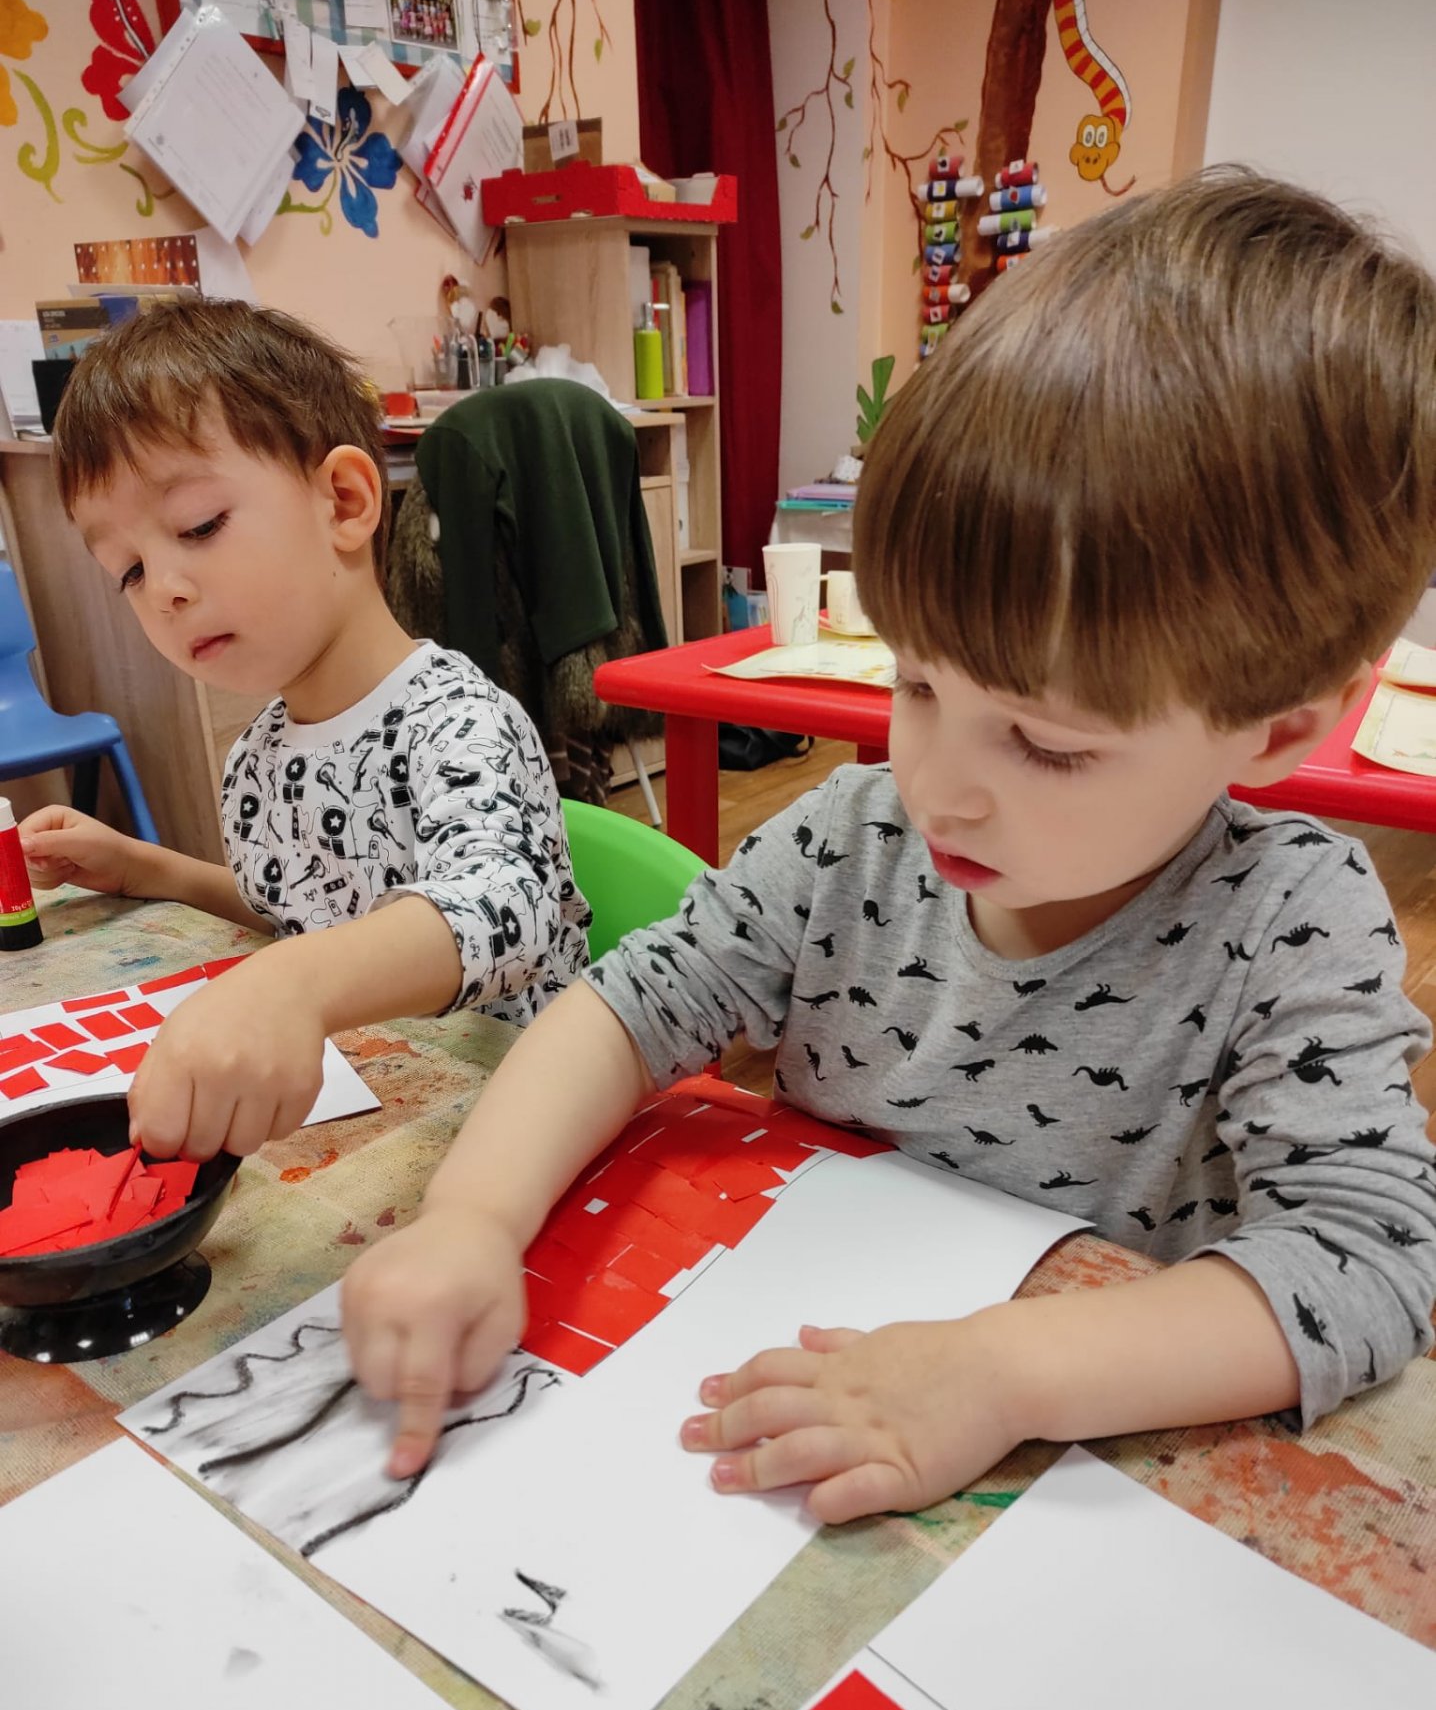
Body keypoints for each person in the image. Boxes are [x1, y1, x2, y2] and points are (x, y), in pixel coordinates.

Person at [343, 169, 1436, 1507]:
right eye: (915, 682)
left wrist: (1006, 1373)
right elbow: (625, 1008)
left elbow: (1367, 1260)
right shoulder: (851, 840)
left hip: (1076, 1485)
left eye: (1045, 743)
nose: (936, 788)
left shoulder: (1290, 922)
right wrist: (470, 1216)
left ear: (1279, 728)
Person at [23, 300, 589, 1162]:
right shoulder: (256, 760)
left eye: (199, 526)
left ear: (344, 502)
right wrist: (144, 868)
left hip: (525, 1123)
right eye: (129, 571)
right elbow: (296, 916)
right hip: (381, 1116)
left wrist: (292, 984)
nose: (164, 589)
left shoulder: (457, 721)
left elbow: (503, 912)